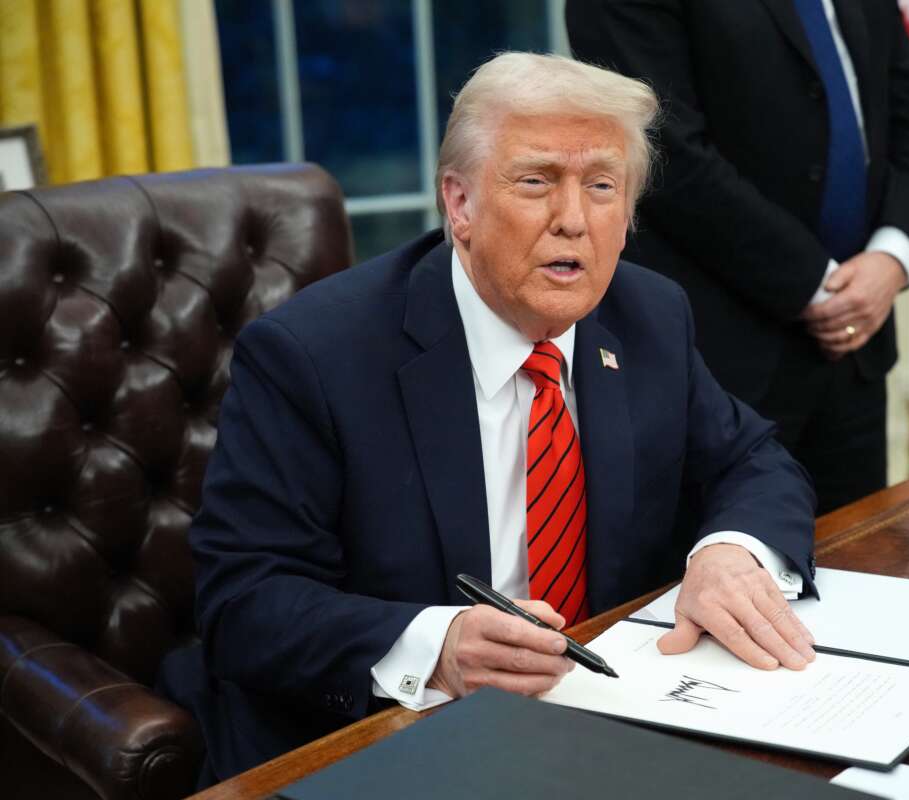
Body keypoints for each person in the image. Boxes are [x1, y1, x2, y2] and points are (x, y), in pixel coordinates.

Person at [162, 52, 820, 785]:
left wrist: (729, 553)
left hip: (605, 722)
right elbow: (244, 601)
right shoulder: (312, 355)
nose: (573, 220)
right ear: (461, 204)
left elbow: (752, 459)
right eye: (536, 182)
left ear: (630, 215)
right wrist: (438, 645)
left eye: (602, 186)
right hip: (383, 736)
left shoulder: (648, 315)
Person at [566, 0, 909, 512]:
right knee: (725, 576)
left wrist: (893, 256)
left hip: (856, 346)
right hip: (717, 357)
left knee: (858, 565)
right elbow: (663, 149)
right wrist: (816, 285)